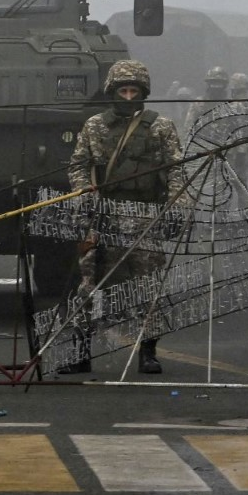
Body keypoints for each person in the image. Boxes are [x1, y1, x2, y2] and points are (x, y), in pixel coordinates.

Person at [60, 59, 185, 375]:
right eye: (123, 91)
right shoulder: (95, 126)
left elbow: (176, 169)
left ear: (143, 93)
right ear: (112, 92)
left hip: (145, 216)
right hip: (104, 216)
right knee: (89, 285)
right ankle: (81, 353)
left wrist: (176, 207)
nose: (128, 97)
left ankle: (148, 352)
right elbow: (78, 165)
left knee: (148, 286)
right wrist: (85, 198)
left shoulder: (161, 127)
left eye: (134, 91)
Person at [183, 66, 229, 134]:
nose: (216, 86)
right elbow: (189, 127)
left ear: (224, 85)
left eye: (219, 83)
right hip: (202, 138)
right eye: (213, 83)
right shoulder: (198, 103)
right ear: (208, 84)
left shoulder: (231, 105)